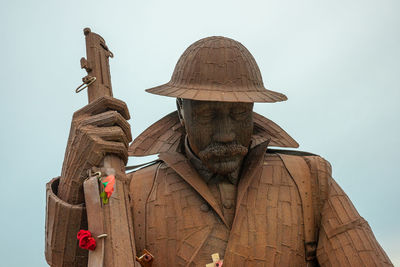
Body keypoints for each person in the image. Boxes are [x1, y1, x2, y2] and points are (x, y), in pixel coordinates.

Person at [45, 36, 393, 266]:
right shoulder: (130, 190)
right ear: (181, 109)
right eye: (209, 115)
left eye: (239, 114)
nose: (226, 133)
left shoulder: (309, 179)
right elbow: (67, 259)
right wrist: (77, 166)